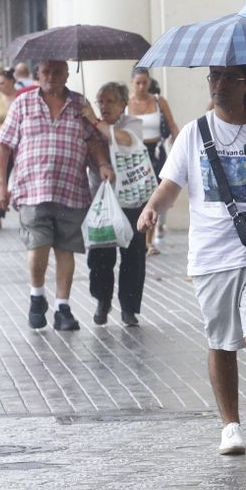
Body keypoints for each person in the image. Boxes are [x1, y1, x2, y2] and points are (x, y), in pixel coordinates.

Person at [138, 63, 246, 459]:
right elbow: (171, 184)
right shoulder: (194, 132)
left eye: (228, 77)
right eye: (214, 77)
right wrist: (152, 207)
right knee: (222, 344)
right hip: (212, 255)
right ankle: (230, 426)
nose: (218, 84)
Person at [0, 60, 116, 330]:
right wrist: (1, 186)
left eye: (57, 72)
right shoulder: (23, 104)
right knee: (38, 245)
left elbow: (93, 141)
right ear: (38, 74)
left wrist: (102, 164)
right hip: (32, 189)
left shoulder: (79, 104)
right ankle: (37, 297)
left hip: (71, 189)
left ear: (67, 74)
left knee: (65, 248)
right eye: (46, 72)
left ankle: (63, 308)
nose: (51, 76)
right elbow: (2, 146)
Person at [85, 82, 152, 327]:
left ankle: (129, 309)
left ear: (123, 104)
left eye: (110, 101)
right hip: (102, 200)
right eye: (100, 101)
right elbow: (88, 149)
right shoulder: (91, 127)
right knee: (100, 254)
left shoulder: (131, 124)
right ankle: (102, 301)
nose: (104, 106)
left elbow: (123, 139)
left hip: (131, 200)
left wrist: (94, 121)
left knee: (133, 254)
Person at [127, 67, 178, 255]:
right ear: (132, 83)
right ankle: (137, 237)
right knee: (137, 195)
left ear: (149, 82)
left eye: (144, 82)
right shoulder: (126, 103)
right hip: (134, 153)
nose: (141, 86)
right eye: (138, 83)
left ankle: (148, 242)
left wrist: (178, 145)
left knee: (153, 195)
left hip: (155, 152)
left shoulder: (158, 101)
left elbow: (172, 125)